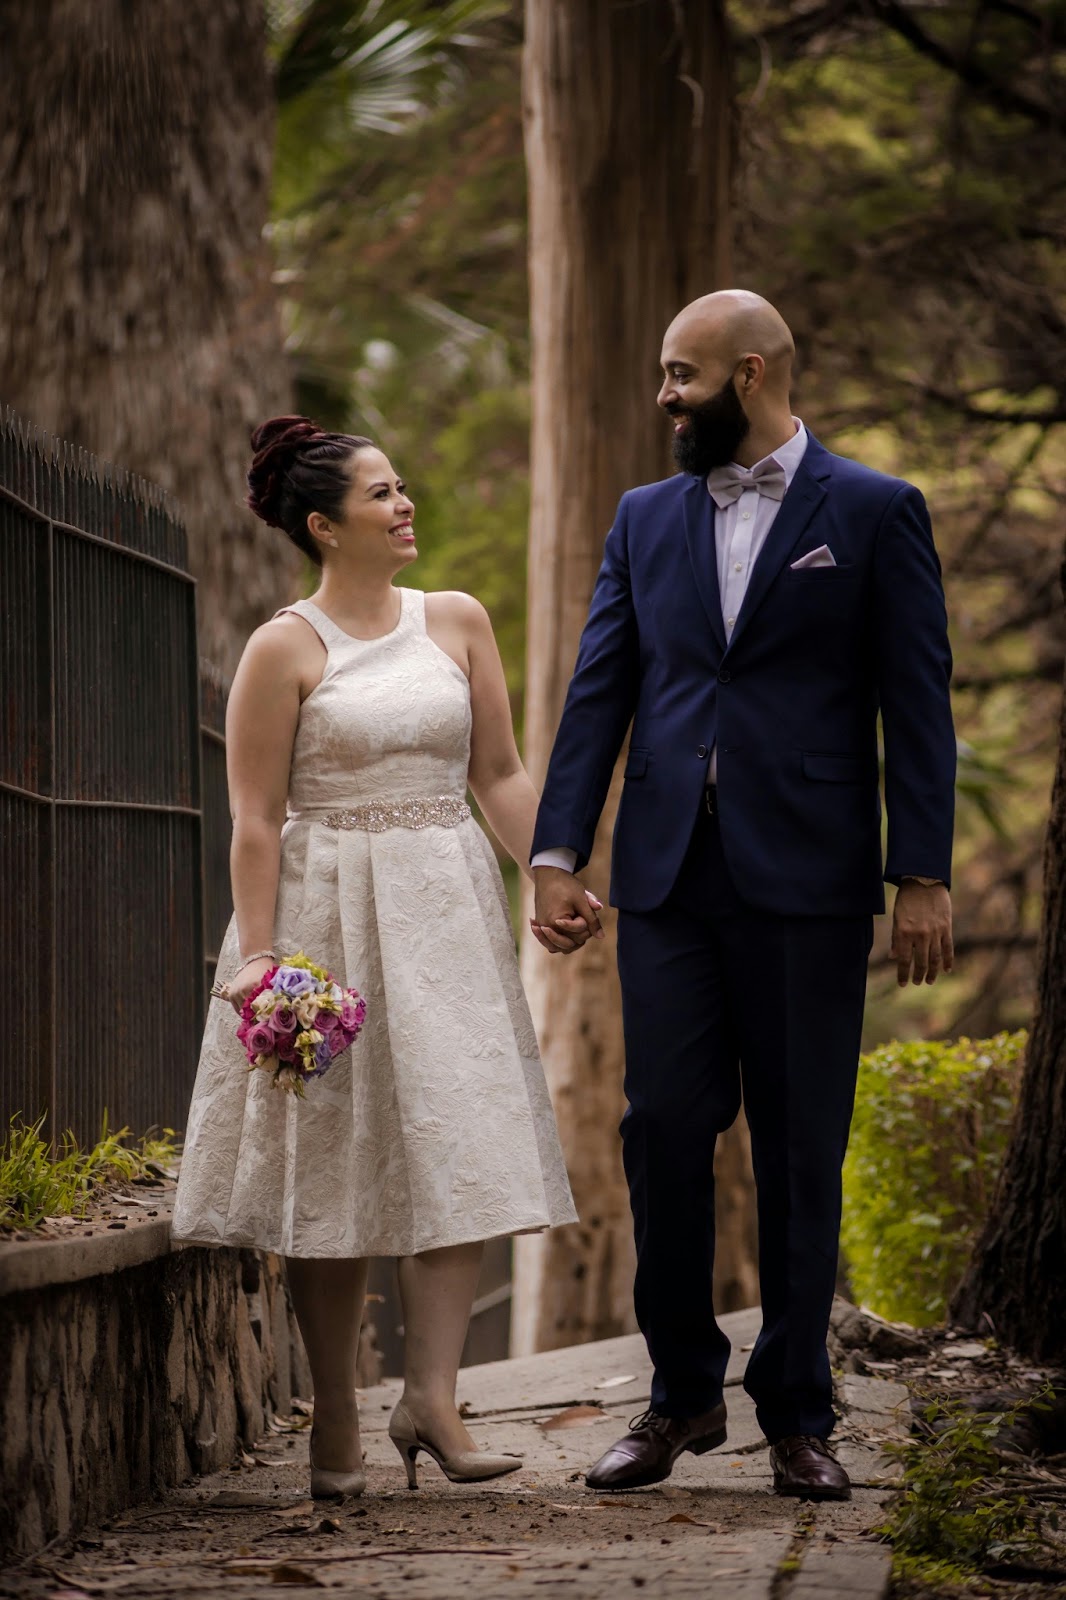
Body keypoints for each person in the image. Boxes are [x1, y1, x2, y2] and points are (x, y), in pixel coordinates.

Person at [529, 291, 955, 1500]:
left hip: (810, 877)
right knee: (662, 1127)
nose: (663, 397)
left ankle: (796, 1410)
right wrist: (560, 851)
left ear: (748, 372)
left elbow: (916, 704)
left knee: (799, 1145)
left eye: (680, 376)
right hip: (664, 875)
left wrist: (917, 870)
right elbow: (598, 691)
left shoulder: (874, 512)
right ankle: (676, 1398)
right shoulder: (644, 515)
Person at [171, 416, 582, 1498]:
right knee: (334, 1165)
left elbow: (495, 771)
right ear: (322, 524)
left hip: (443, 904)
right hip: (325, 916)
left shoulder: (455, 622)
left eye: (401, 488)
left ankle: (434, 1398)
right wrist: (259, 962)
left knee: (459, 1143)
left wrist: (546, 869)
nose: (404, 506)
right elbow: (256, 817)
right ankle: (338, 1416)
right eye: (379, 494)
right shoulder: (284, 645)